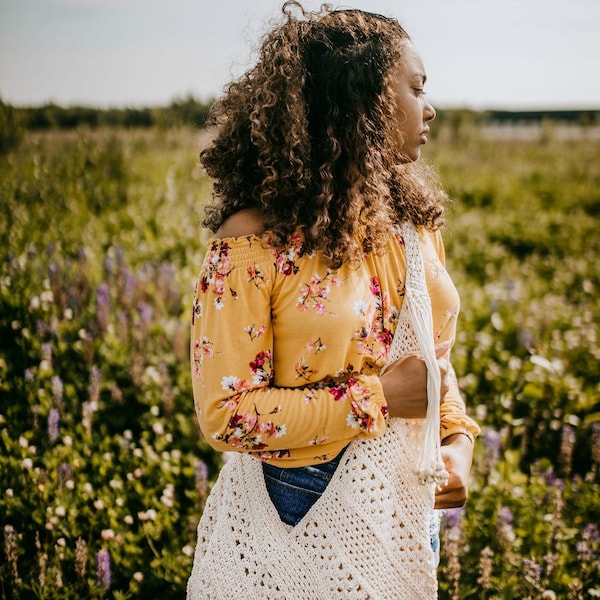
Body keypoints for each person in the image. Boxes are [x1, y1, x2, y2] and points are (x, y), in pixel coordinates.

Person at [187, 3, 480, 598]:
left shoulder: (413, 221)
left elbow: (433, 361)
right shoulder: (252, 241)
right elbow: (225, 413)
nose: (431, 108)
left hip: (405, 494)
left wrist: (458, 442)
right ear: (362, 103)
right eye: (416, 88)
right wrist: (379, 398)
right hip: (300, 502)